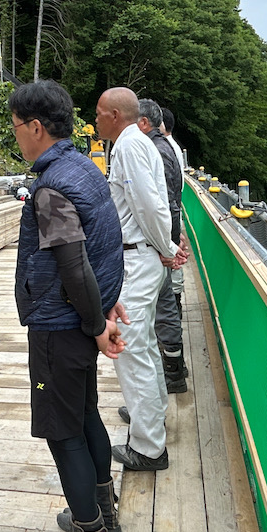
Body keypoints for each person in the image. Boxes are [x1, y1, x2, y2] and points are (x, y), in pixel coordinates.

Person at [11, 80, 128, 532]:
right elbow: (105, 242)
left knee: (64, 434)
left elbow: (75, 263)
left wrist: (96, 321)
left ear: (36, 127)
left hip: (61, 326)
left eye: (16, 127)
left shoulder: (52, 186)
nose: (16, 135)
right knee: (84, 419)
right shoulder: (84, 166)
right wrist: (104, 304)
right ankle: (105, 518)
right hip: (80, 317)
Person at [95, 87, 185, 472]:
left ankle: (148, 448)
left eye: (99, 112)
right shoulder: (139, 143)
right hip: (142, 255)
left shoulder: (129, 148)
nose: (94, 118)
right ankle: (150, 418)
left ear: (115, 115)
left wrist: (165, 244)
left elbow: (148, 204)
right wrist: (164, 244)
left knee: (130, 350)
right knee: (144, 347)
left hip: (137, 257)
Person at [138, 99, 188, 394]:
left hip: (159, 241)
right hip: (166, 234)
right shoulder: (167, 146)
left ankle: (171, 375)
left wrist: (166, 243)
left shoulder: (153, 150)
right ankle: (175, 370)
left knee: (162, 306)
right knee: (166, 302)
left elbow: (159, 203)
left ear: (144, 123)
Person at [160, 108, 187, 321]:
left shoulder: (164, 148)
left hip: (172, 217)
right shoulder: (173, 147)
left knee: (174, 268)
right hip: (175, 214)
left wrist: (174, 234)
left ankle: (174, 315)